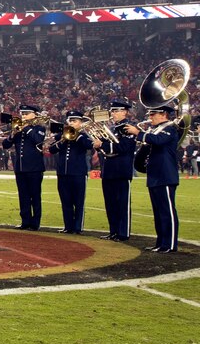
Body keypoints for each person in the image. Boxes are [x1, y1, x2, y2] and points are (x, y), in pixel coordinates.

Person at [124, 105, 180, 252]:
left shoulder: (169, 128)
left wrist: (139, 133)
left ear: (163, 115)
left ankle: (171, 244)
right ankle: (161, 243)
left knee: (167, 211)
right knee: (158, 212)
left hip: (166, 175)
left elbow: (159, 141)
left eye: (153, 115)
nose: (150, 117)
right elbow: (148, 146)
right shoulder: (155, 130)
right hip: (155, 175)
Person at [91, 100, 136, 241]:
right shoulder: (113, 128)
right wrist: (98, 145)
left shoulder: (127, 128)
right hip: (108, 170)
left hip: (122, 170)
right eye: (112, 111)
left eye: (116, 111)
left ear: (125, 112)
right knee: (110, 203)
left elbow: (124, 147)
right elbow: (106, 147)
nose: (113, 114)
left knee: (122, 203)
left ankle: (123, 233)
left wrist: (103, 144)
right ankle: (114, 231)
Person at [47, 111, 95, 234]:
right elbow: (51, 150)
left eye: (75, 121)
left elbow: (89, 145)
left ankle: (78, 227)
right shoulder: (61, 136)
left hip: (78, 173)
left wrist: (77, 135)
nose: (72, 123)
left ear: (80, 123)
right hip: (63, 173)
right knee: (66, 201)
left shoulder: (84, 136)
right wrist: (63, 140)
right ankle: (68, 226)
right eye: (71, 121)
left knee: (78, 202)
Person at [1, 104, 46, 231]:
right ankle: (25, 221)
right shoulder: (17, 129)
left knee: (35, 196)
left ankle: (35, 223)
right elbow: (5, 145)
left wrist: (27, 128)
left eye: (26, 113)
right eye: (23, 113)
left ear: (34, 114)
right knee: (23, 196)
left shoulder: (39, 128)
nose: (24, 116)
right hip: (20, 168)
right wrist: (12, 134)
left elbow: (38, 140)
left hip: (35, 168)